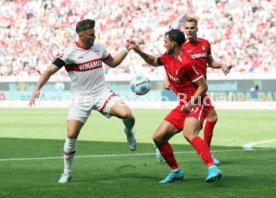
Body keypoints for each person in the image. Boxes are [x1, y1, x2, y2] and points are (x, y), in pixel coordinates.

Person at [28, 19, 137, 184]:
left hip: (102, 93)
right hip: (81, 99)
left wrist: (126, 49)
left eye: (94, 33)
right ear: (81, 35)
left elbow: (113, 63)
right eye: (91, 34)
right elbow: (50, 70)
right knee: (71, 135)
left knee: (127, 114)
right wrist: (37, 88)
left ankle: (128, 132)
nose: (95, 36)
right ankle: (67, 172)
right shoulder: (69, 53)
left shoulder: (99, 48)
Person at [133, 29, 223, 183]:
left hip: (198, 102)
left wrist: (190, 103)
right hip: (183, 104)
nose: (163, 44)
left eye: (165, 41)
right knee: (158, 137)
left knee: (189, 133)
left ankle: (212, 167)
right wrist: (139, 52)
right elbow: (154, 61)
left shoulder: (187, 62)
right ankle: (176, 171)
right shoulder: (167, 56)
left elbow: (203, 86)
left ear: (173, 43)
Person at [157, 17, 233, 165]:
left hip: (200, 89)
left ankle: (162, 141)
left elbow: (210, 62)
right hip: (193, 91)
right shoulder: (180, 46)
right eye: (187, 28)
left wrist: (222, 65)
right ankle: (207, 154)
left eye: (192, 28)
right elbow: (171, 62)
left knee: (208, 119)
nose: (189, 31)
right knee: (204, 120)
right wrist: (167, 78)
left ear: (197, 29)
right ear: (184, 30)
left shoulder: (205, 44)